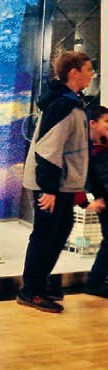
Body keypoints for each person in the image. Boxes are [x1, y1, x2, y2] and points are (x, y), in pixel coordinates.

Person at [20, 50, 94, 313]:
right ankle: (31, 291)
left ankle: (41, 284)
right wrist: (49, 189)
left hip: (63, 185)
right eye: (88, 69)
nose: (92, 74)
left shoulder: (72, 103)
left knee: (58, 232)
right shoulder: (63, 105)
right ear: (74, 73)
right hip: (52, 186)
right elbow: (48, 150)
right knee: (45, 235)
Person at [76, 106, 108, 297]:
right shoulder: (84, 149)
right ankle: (95, 283)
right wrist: (85, 203)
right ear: (93, 124)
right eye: (106, 121)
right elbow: (77, 176)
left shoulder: (102, 146)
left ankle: (96, 281)